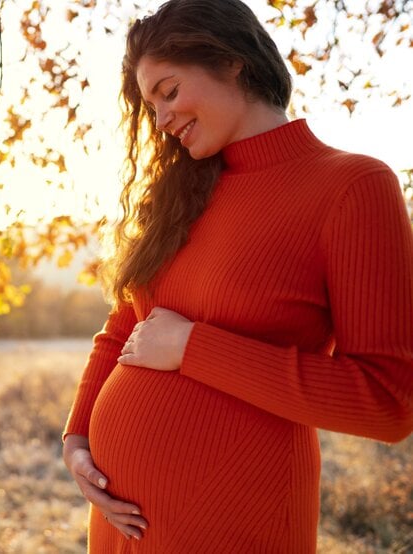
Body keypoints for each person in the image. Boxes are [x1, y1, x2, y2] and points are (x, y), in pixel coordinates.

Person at [62, 0, 413, 551]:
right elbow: (127, 324)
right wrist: (79, 436)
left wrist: (194, 347)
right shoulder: (180, 195)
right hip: (119, 522)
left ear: (231, 63)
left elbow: (388, 401)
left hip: (235, 522)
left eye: (169, 92)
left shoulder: (352, 186)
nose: (160, 120)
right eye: (149, 105)